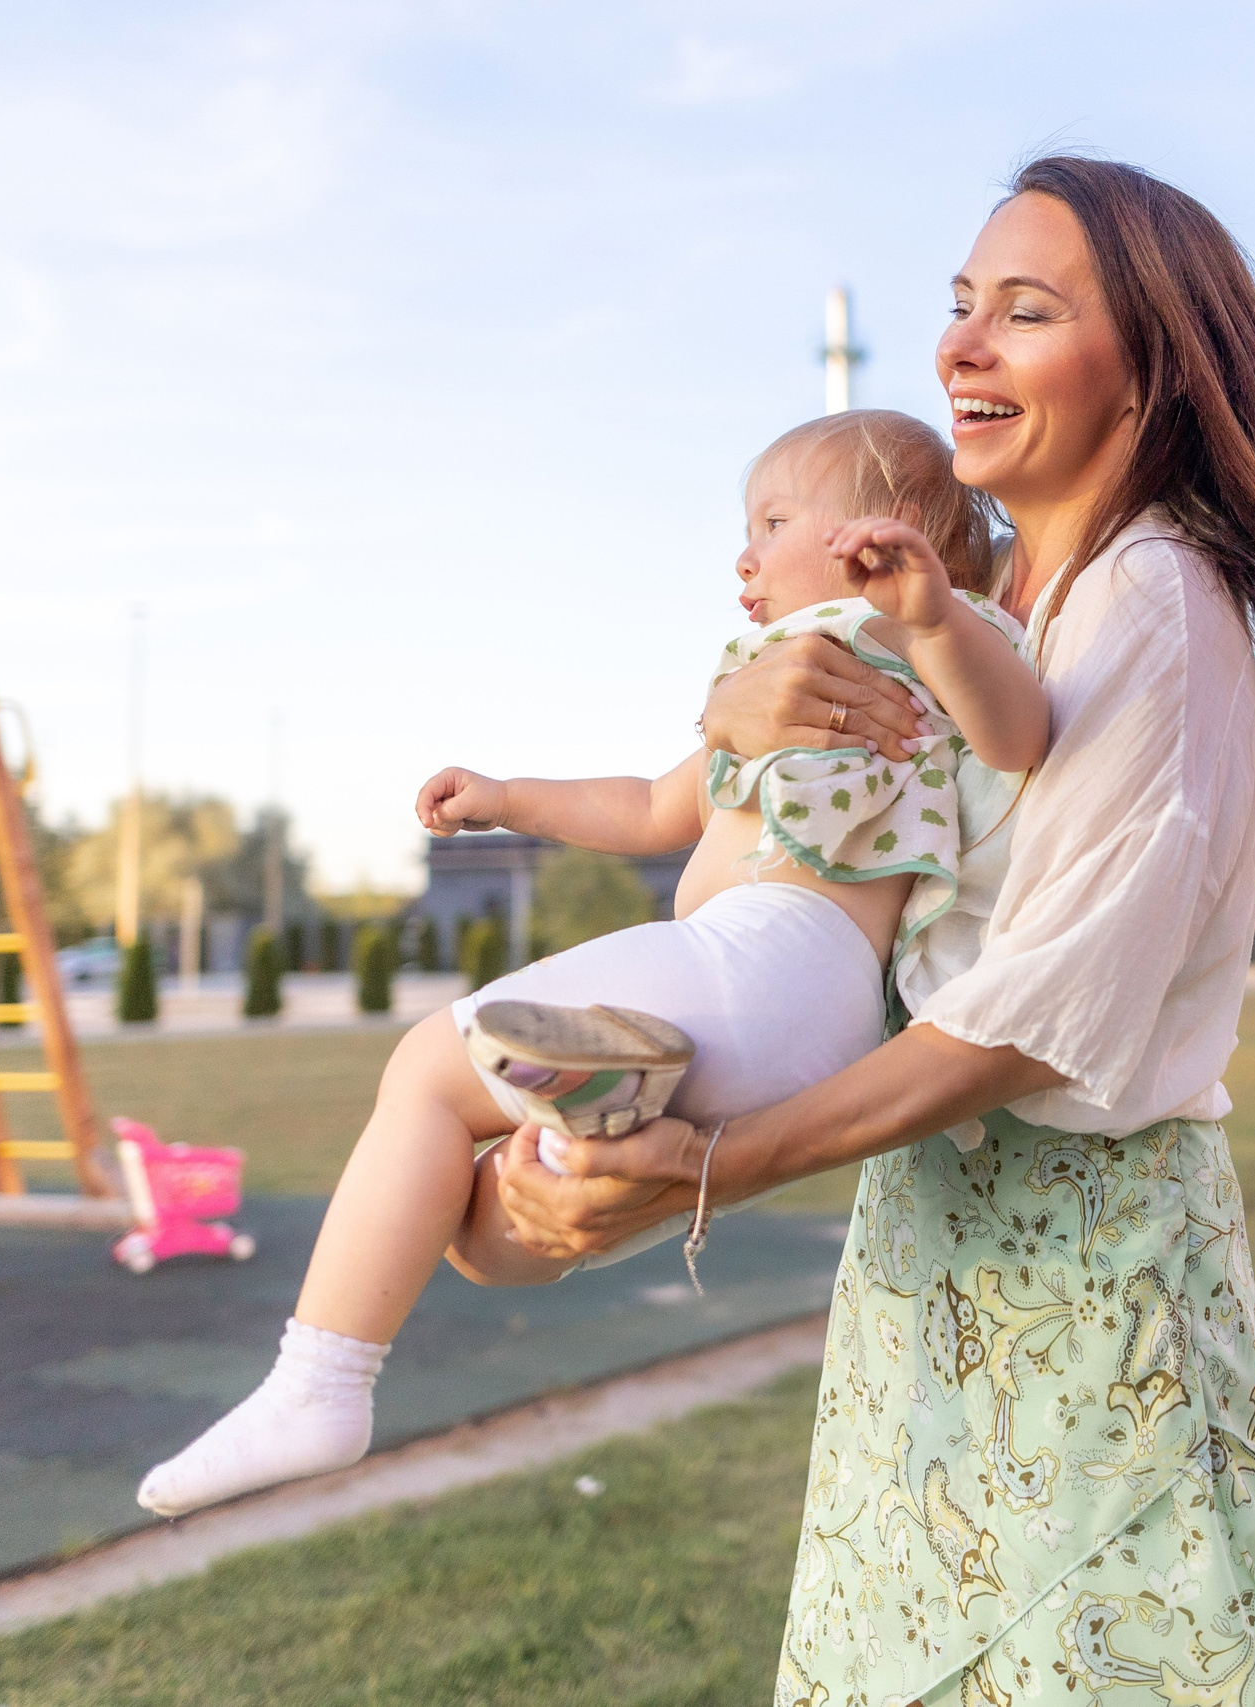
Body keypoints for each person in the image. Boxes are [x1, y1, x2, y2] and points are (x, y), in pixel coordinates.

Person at [458, 157, 1255, 1705]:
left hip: (1088, 1295)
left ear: (1151, 373)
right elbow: (842, 895)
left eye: (1024, 312)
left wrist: (716, 1165)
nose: (960, 345)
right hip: (939, 1262)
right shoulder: (993, 609)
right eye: (959, 307)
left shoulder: (1151, 600)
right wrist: (742, 708)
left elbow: (1029, 1016)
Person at [134, 408, 1048, 1519]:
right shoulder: (773, 686)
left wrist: (937, 611)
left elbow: (1016, 738)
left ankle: (320, 1381)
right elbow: (650, 807)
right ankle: (606, 1103)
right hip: (782, 1012)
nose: (743, 555)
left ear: (887, 531)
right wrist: (507, 799)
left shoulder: (911, 636)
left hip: (766, 961)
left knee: (425, 1070)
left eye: (771, 521)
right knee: (497, 1182)